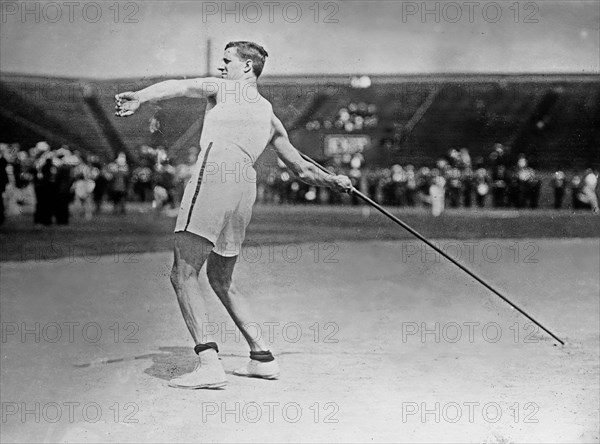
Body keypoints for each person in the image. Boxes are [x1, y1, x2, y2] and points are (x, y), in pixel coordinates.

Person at [116, 41, 352, 389]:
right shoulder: (270, 115)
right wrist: (334, 181)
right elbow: (301, 169)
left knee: (183, 272)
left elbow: (178, 87)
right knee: (221, 278)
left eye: (227, 60)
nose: (221, 67)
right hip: (245, 184)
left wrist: (140, 96)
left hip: (216, 171)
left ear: (247, 68)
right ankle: (262, 356)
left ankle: (209, 363)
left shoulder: (224, 89)